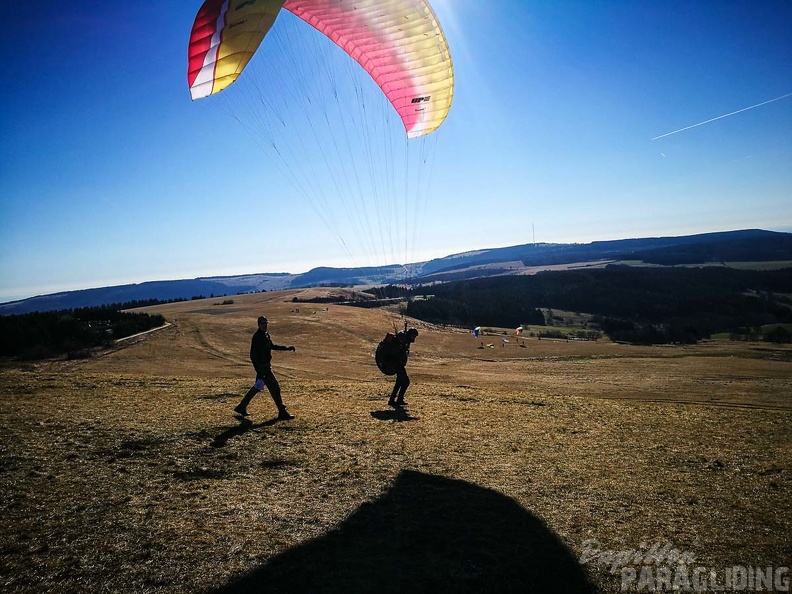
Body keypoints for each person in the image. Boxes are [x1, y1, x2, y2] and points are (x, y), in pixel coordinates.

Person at [235, 316, 296, 420]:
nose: (265, 325)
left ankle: (241, 406)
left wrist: (286, 348)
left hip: (266, 366)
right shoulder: (257, 337)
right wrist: (259, 371)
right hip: (263, 368)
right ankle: (282, 412)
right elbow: (253, 356)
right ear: (258, 324)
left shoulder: (265, 335)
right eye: (263, 323)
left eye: (266, 323)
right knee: (275, 388)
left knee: (257, 388)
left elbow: (272, 346)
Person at [388, 327, 418, 407]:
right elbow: (396, 353)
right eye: (413, 336)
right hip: (398, 365)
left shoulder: (404, 340)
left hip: (398, 364)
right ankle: (399, 399)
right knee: (406, 382)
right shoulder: (401, 341)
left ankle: (392, 400)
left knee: (399, 383)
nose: (414, 338)